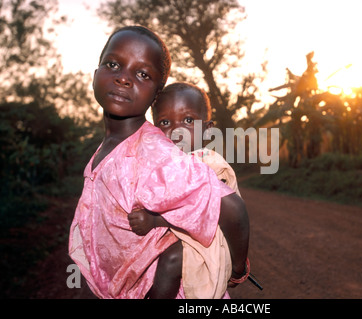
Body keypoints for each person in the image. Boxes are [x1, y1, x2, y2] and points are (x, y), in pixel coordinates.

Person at [68, 25, 249, 299]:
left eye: (142, 74)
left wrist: (236, 268)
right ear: (95, 75)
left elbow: (230, 206)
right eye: (114, 64)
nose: (124, 79)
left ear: (155, 95)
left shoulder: (155, 155)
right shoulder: (108, 149)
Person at [128, 82, 246, 298]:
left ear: (208, 129)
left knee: (172, 260)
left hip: (213, 241)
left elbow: (206, 211)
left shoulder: (206, 163)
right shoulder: (167, 164)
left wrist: (156, 221)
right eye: (165, 122)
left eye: (188, 120)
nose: (176, 130)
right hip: (191, 240)